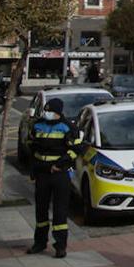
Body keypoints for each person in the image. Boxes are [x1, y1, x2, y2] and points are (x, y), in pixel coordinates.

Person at [26, 98, 80, 258]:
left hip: (59, 175)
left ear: (58, 113)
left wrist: (60, 165)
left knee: (60, 211)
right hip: (42, 174)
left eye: (51, 112)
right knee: (41, 211)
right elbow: (31, 145)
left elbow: (75, 150)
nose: (48, 114)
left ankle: (60, 246)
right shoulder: (37, 125)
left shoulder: (68, 127)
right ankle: (40, 243)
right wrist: (34, 169)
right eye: (47, 111)